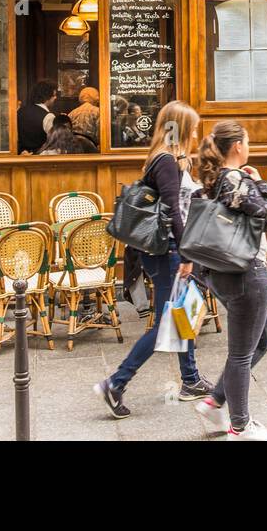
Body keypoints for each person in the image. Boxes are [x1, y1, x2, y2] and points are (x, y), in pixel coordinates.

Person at [96, 102, 212, 419]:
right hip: (170, 253)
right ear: (182, 128)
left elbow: (180, 203)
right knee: (166, 322)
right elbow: (174, 210)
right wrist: (186, 255)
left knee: (186, 310)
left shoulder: (171, 159)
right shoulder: (166, 162)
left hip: (169, 251)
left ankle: (190, 379)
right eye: (194, 127)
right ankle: (115, 383)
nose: (197, 133)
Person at [188, 121, 267, 441]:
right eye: (248, 141)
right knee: (241, 354)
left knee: (264, 338)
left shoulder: (214, 179)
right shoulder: (235, 179)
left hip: (221, 272)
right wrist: (261, 183)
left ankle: (216, 400)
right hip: (246, 272)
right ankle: (240, 427)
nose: (250, 146)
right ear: (238, 146)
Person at [17, 79, 58, 154]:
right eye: (54, 95)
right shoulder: (48, 116)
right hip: (40, 160)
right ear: (46, 96)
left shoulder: (20, 111)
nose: (56, 98)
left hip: (21, 157)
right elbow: (55, 142)